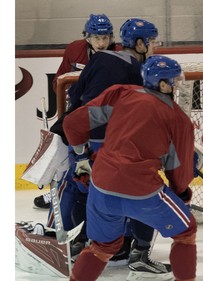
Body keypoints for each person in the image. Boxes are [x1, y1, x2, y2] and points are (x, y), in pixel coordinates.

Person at [45, 18, 171, 275]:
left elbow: (77, 96)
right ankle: (138, 253)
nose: (156, 46)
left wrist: (79, 151)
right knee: (140, 193)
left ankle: (75, 245)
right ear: (140, 43)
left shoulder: (99, 60)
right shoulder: (141, 72)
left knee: (79, 191)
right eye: (153, 41)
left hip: (80, 139)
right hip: (113, 147)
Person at [64, 55, 197, 281]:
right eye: (174, 80)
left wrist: (81, 158)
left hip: (102, 186)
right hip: (143, 192)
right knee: (186, 232)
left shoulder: (121, 93)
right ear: (163, 84)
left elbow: (72, 123)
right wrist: (181, 193)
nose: (177, 85)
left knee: (103, 247)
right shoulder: (178, 119)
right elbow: (178, 169)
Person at [34, 13, 119, 209]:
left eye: (105, 37)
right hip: (80, 109)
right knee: (61, 144)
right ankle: (56, 188)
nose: (101, 42)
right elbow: (59, 79)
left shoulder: (118, 54)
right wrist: (67, 93)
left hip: (105, 114)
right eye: (97, 37)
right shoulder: (74, 49)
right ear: (87, 37)